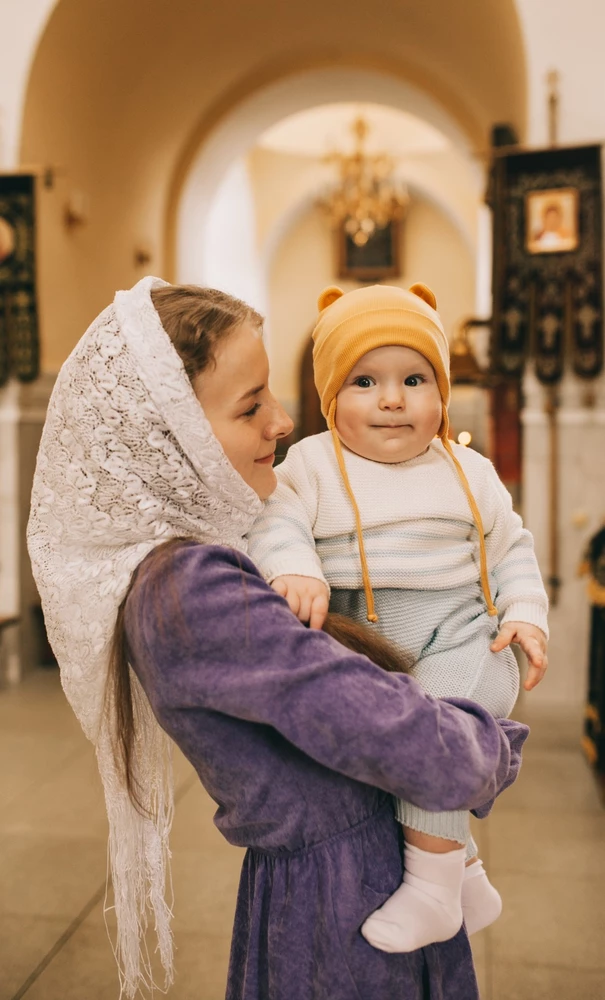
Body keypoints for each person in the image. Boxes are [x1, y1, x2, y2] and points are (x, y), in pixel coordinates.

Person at [28, 276, 528, 1000]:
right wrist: (492, 738)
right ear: (176, 439)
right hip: (342, 893)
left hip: (360, 865)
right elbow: (396, 734)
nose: (284, 421)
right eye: (250, 405)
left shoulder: (200, 561)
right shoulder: (190, 590)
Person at [247, 282, 549, 954]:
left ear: (439, 393)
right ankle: (467, 876)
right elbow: (276, 522)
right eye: (364, 381)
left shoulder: (467, 470)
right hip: (370, 645)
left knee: (433, 729)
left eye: (414, 379)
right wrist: (293, 566)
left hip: (466, 637)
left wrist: (526, 613)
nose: (391, 399)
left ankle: (434, 888)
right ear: (329, 397)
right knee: (380, 736)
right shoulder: (313, 467)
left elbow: (512, 550)